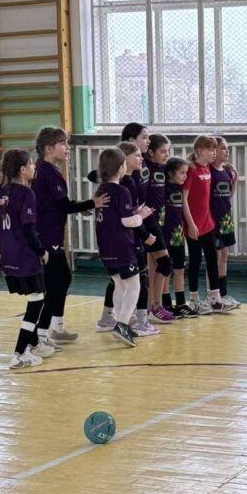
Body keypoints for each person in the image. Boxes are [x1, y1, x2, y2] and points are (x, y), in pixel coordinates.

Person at [32, 127, 108, 347]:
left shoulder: (47, 170)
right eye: (63, 144)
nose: (68, 148)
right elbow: (63, 206)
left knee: (63, 278)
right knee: (55, 283)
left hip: (52, 233)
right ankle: (41, 334)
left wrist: (79, 206)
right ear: (49, 148)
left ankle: (57, 327)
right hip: (47, 236)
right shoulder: (48, 172)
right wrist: (91, 203)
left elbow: (58, 203)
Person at [0, 149, 51, 369]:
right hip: (25, 256)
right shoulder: (27, 194)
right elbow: (27, 229)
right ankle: (19, 353)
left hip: (8, 256)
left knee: (35, 297)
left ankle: (33, 344)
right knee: (37, 301)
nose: (34, 167)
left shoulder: (2, 191)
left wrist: (9, 238)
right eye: (31, 164)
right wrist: (41, 251)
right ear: (23, 170)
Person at [94, 147, 153, 347]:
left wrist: (133, 214)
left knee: (119, 284)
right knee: (134, 286)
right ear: (121, 168)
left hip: (105, 246)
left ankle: (122, 323)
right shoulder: (122, 191)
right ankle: (122, 325)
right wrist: (141, 216)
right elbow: (127, 221)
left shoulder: (101, 190)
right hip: (122, 246)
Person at [183, 136, 236, 314]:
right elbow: (184, 199)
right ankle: (194, 300)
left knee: (213, 259)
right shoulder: (192, 170)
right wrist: (190, 224)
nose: (214, 152)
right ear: (200, 151)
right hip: (194, 225)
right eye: (211, 149)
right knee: (195, 261)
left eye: (215, 149)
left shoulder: (207, 168)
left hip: (208, 224)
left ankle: (215, 299)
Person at [144, 134, 177, 324]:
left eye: (168, 151)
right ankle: (155, 306)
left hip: (160, 222)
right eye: (163, 151)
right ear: (151, 152)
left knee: (154, 266)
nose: (166, 155)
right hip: (148, 222)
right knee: (166, 263)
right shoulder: (144, 168)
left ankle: (149, 307)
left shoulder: (163, 168)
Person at [160, 157, 196, 318]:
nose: (185, 176)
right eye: (182, 173)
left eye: (186, 173)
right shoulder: (163, 189)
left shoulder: (181, 189)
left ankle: (181, 304)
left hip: (178, 236)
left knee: (180, 269)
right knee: (166, 271)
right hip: (164, 236)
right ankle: (166, 304)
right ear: (170, 173)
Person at [211, 136, 241, 308]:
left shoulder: (227, 171)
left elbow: (228, 196)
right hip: (213, 221)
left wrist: (235, 180)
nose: (227, 151)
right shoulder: (209, 171)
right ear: (213, 151)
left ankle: (223, 293)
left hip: (226, 220)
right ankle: (213, 295)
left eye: (227, 148)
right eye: (223, 148)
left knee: (224, 255)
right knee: (214, 257)